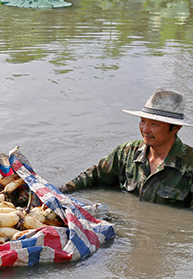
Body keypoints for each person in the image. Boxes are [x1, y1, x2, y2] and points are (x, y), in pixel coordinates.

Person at [59, 88, 193, 208]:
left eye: (154, 124)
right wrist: (62, 191)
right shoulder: (127, 152)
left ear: (176, 127)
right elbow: (96, 175)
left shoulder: (189, 164)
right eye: (142, 121)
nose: (145, 129)